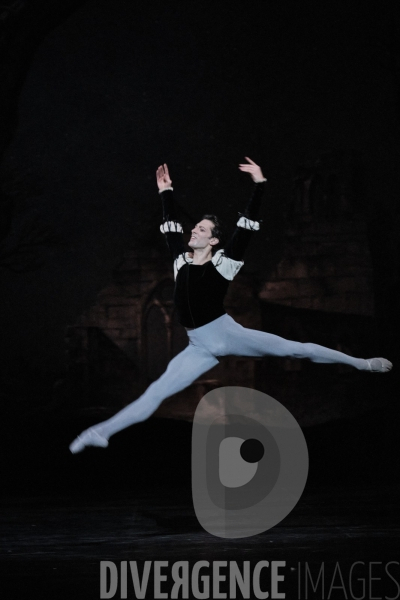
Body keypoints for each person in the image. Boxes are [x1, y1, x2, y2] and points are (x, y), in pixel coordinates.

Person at [69, 158, 393, 453]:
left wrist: (260, 186)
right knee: (155, 392)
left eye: (202, 229)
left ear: (213, 241)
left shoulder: (224, 264)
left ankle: (362, 364)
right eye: (194, 226)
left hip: (226, 334)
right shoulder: (181, 262)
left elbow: (245, 229)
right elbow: (169, 230)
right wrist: (166, 192)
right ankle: (102, 432)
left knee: (298, 348)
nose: (194, 229)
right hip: (198, 345)